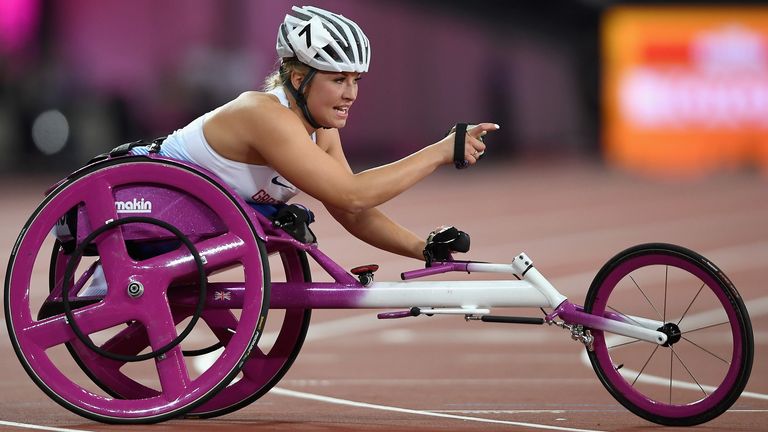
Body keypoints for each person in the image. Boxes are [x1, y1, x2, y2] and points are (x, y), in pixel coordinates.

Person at [133, 5, 499, 262]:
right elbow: (353, 195)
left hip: (182, 222)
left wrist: (423, 248)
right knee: (284, 219)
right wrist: (439, 151)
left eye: (356, 80)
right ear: (298, 78)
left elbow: (351, 211)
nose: (350, 94)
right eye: (338, 79)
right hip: (138, 210)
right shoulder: (263, 114)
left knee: (282, 218)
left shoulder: (318, 130)